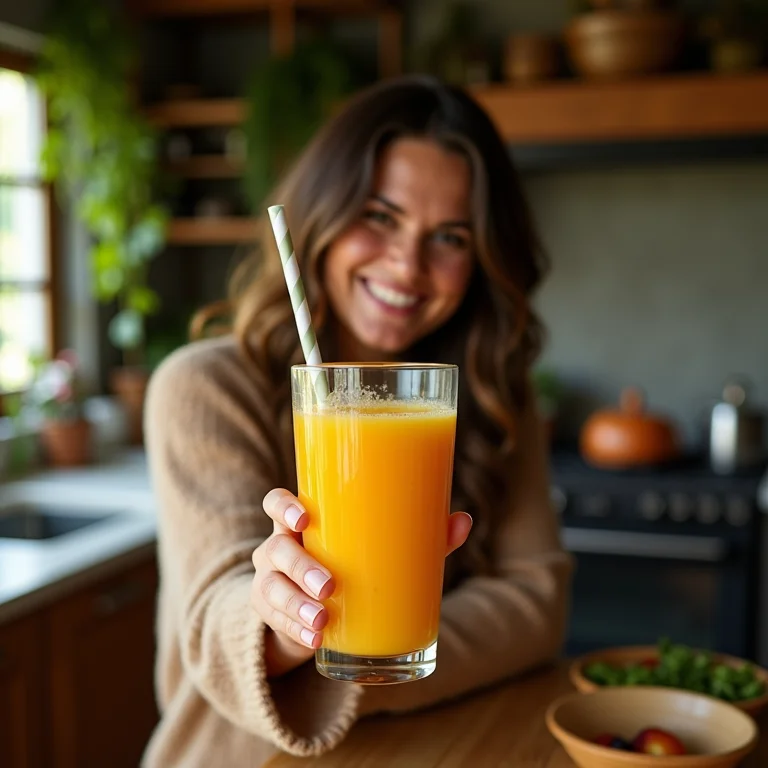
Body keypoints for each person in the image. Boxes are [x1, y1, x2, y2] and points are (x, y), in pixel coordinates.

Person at [142, 74, 573, 768]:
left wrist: (364, 657)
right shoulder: (205, 387)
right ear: (323, 211)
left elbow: (537, 606)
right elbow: (214, 623)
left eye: (451, 237)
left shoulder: (489, 392)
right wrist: (289, 630)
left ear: (483, 257)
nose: (408, 264)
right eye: (379, 215)